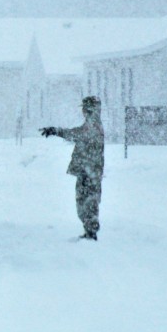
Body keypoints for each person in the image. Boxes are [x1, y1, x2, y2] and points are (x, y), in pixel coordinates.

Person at [40, 96, 105, 240]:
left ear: (89, 109)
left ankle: (91, 233)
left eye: (85, 108)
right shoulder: (91, 124)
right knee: (83, 203)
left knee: (88, 203)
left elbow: (76, 134)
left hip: (90, 173)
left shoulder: (93, 126)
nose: (82, 110)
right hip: (86, 172)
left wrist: (57, 131)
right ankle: (89, 231)